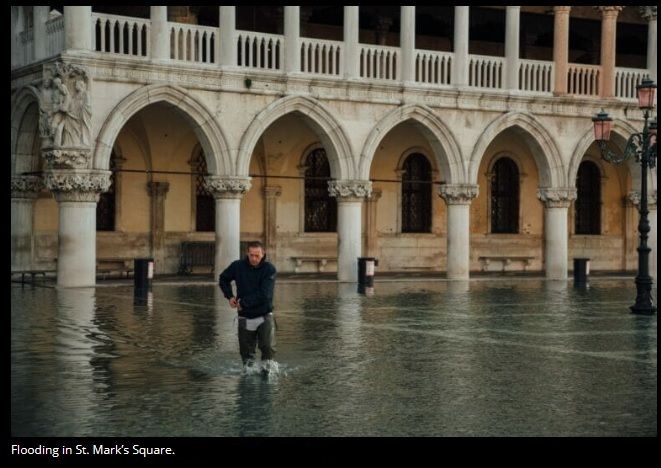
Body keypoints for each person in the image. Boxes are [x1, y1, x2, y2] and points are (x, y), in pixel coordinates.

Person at [218, 241, 277, 373]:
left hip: (264, 315)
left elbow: (265, 294)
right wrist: (230, 296)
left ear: (263, 254)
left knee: (267, 347)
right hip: (245, 316)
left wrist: (243, 302)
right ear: (247, 254)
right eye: (251, 255)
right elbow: (223, 279)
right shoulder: (237, 266)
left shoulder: (269, 269)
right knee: (246, 355)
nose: (254, 259)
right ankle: (248, 376)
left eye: (257, 255)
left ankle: (267, 371)